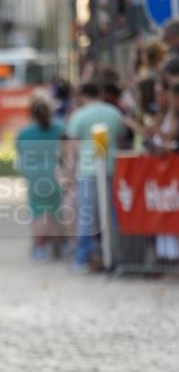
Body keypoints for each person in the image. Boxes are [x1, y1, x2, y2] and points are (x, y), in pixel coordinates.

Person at [65, 82, 126, 271]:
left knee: (86, 216)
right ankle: (116, 255)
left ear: (82, 95)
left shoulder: (79, 115)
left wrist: (69, 173)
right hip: (113, 168)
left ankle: (83, 258)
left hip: (87, 170)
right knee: (112, 214)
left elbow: (72, 148)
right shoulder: (114, 113)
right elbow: (121, 140)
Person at [15, 96, 64, 260]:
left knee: (38, 213)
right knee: (55, 212)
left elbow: (20, 153)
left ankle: (39, 247)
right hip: (56, 174)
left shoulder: (24, 133)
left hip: (34, 177)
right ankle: (56, 245)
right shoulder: (60, 128)